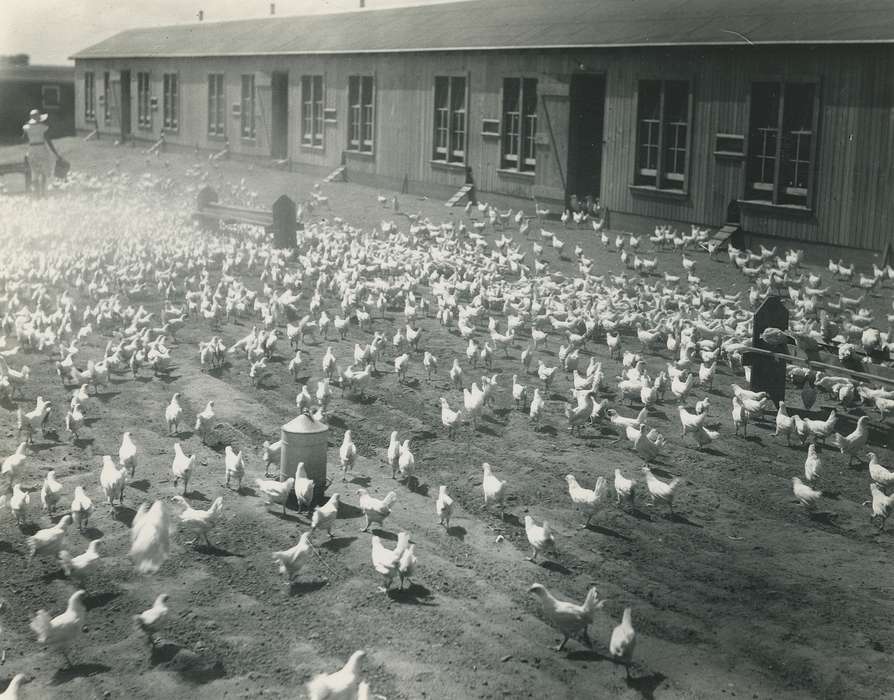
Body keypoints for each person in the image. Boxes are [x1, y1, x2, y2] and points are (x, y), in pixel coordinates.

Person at [22, 108, 59, 197]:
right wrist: (55, 152)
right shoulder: (43, 127)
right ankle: (42, 192)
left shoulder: (27, 128)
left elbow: (23, 138)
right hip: (41, 149)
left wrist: (29, 130)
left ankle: (37, 193)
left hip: (32, 149)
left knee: (34, 171)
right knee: (43, 171)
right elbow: (48, 141)